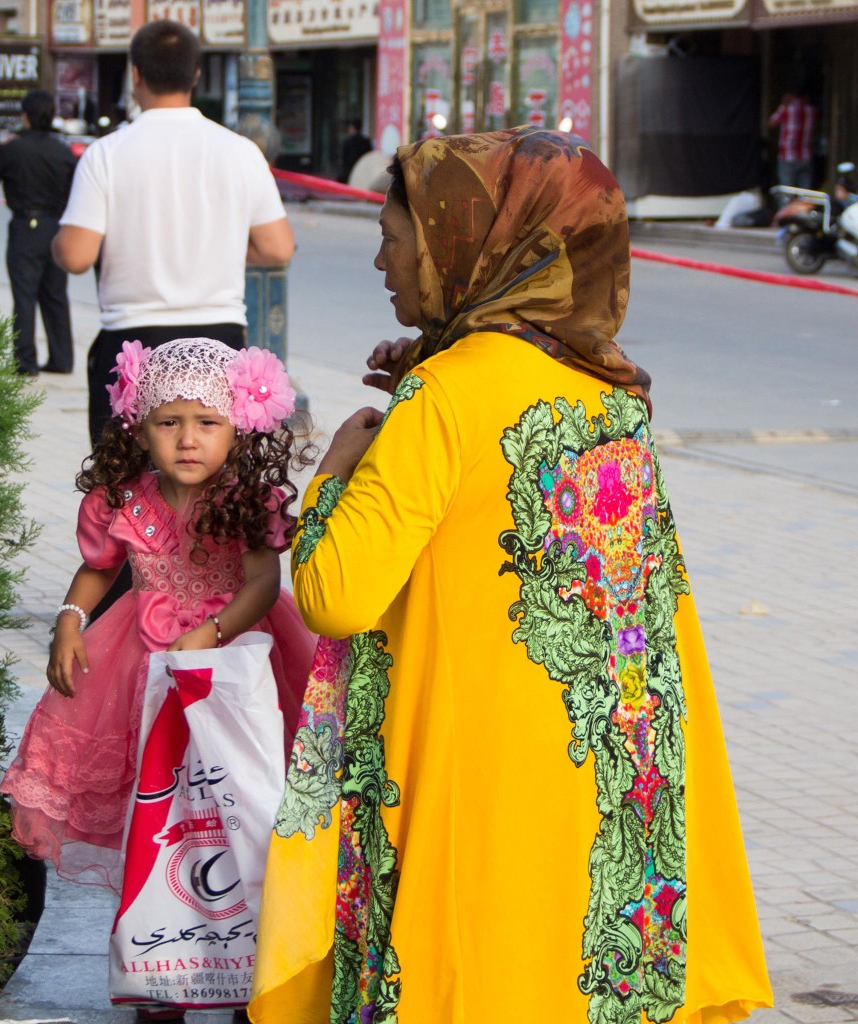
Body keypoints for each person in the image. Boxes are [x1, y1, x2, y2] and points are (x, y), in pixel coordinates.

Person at [250, 129, 774, 1022]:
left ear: (464, 245)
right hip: (598, 784)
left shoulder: (445, 396)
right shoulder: (608, 393)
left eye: (395, 236)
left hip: (469, 776)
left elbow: (336, 597)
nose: (381, 258)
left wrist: (336, 469)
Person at [0, 336, 315, 1021]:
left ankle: (247, 974)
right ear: (139, 427)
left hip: (234, 669)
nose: (188, 440)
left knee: (240, 808)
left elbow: (263, 583)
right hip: (139, 670)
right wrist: (69, 618)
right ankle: (159, 970)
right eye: (168, 422)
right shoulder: (125, 498)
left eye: (207, 423)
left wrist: (211, 634)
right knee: (161, 811)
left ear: (240, 427)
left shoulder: (247, 497)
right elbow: (98, 568)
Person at [52, 20, 295, 443]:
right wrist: (219, 248)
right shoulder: (241, 151)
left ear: (136, 75)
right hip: (219, 343)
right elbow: (277, 248)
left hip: (132, 346)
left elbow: (75, 256)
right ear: (195, 75)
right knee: (215, 493)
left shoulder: (106, 154)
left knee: (126, 491)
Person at [0, 89, 78, 377]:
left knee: (24, 295)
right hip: (57, 226)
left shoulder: (15, 148)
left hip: (25, 226)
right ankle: (62, 358)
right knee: (56, 294)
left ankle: (26, 361)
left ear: (26, 115)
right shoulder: (63, 150)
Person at [768, 89, 817, 189]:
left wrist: (782, 105)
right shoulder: (811, 110)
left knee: (787, 193)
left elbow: (771, 122)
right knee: (805, 193)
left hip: (788, 157)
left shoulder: (787, 109)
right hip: (805, 156)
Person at [338, 117, 372, 183]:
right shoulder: (366, 141)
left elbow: (344, 159)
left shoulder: (347, 142)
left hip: (349, 172)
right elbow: (369, 157)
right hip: (362, 171)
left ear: (352, 127)